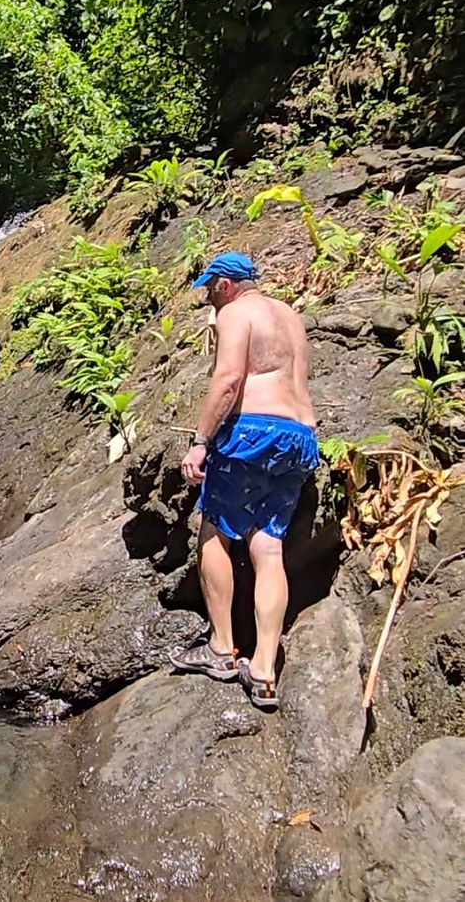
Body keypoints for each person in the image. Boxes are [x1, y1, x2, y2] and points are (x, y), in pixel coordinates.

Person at [170, 252, 318, 711]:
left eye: (210, 290)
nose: (209, 300)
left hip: (251, 431)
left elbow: (229, 380)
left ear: (226, 285)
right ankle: (264, 670)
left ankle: (221, 648)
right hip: (299, 437)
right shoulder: (290, 316)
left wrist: (200, 442)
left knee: (214, 530)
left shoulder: (234, 313)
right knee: (268, 548)